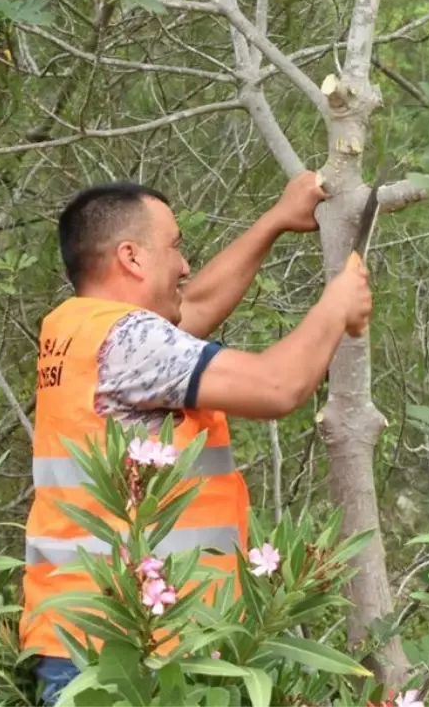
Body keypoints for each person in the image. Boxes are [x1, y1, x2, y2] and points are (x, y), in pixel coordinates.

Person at [21, 172, 372, 703]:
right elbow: (277, 387)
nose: (184, 265)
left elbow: (193, 309)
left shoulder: (78, 328)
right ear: (132, 258)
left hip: (85, 638)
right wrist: (335, 304)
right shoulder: (131, 339)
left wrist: (276, 222)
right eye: (176, 247)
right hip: (128, 650)